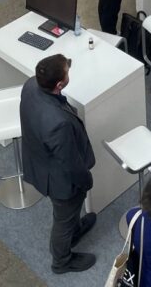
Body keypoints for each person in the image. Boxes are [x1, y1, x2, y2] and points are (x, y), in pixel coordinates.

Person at [19, 54, 97, 274]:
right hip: (59, 180)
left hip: (39, 160)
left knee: (70, 214)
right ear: (59, 85)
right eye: (67, 71)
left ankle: (75, 230)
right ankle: (61, 261)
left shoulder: (30, 85)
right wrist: (86, 180)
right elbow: (70, 164)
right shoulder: (58, 124)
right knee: (63, 219)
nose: (69, 71)